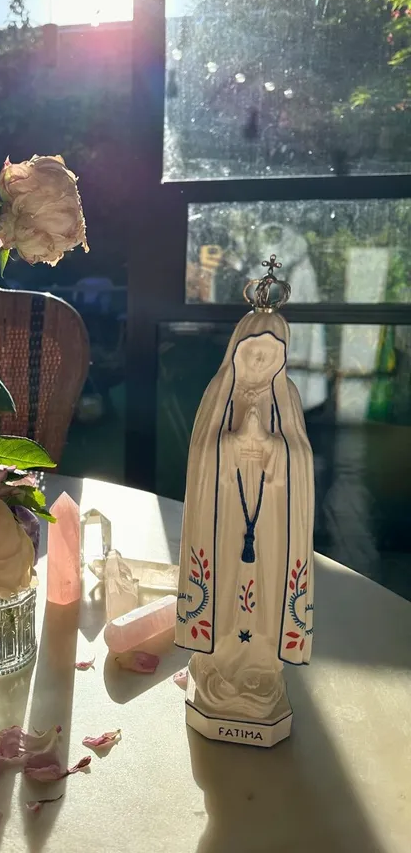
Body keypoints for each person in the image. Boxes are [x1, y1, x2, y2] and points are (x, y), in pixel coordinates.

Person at [175, 276, 314, 723]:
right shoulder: (219, 396)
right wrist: (232, 446)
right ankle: (217, 660)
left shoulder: (286, 398)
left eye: (268, 356)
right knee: (225, 584)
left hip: (270, 518)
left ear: (280, 359)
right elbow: (200, 453)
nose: (258, 361)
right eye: (252, 352)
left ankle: (261, 668)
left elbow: (301, 460)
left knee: (267, 590)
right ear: (237, 351)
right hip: (224, 513)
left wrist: (273, 450)